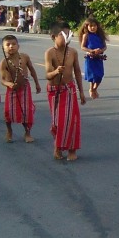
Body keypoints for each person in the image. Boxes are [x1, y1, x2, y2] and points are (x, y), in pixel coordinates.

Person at [44, 23, 86, 161]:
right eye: (63, 35)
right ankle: (58, 145)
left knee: (72, 121)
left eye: (68, 34)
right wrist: (56, 71)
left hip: (69, 90)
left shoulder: (73, 52)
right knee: (59, 122)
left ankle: (71, 150)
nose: (66, 37)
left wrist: (81, 92)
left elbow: (77, 72)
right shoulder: (49, 53)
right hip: (55, 91)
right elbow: (48, 75)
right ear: (53, 37)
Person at [0, 34, 41, 143]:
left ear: (18, 46)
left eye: (13, 44)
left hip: (25, 88)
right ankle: (9, 131)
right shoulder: (4, 62)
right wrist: (9, 84)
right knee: (8, 111)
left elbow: (32, 70)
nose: (11, 46)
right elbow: (2, 79)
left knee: (26, 112)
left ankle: (27, 132)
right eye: (8, 45)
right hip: (12, 90)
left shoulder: (25, 57)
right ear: (3, 48)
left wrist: (37, 84)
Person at [79, 16, 108, 99]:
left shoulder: (100, 36)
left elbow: (105, 47)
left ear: (97, 26)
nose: (92, 28)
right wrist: (91, 51)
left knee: (99, 75)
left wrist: (100, 50)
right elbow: (82, 47)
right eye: (90, 26)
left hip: (99, 58)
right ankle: (91, 89)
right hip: (90, 58)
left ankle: (94, 89)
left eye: (94, 26)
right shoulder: (86, 35)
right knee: (92, 76)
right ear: (87, 27)